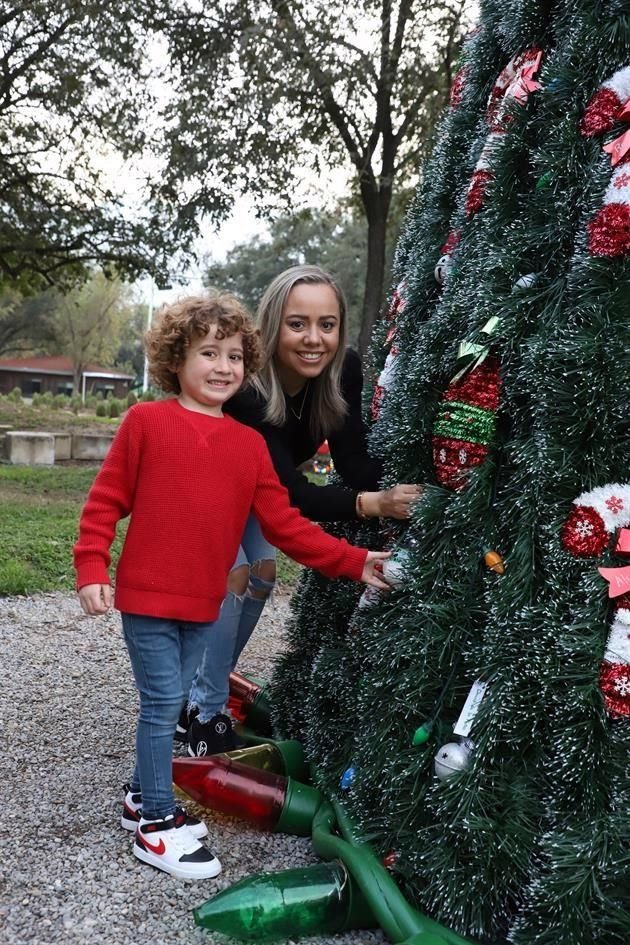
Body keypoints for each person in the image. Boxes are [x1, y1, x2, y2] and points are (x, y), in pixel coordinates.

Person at [73, 291, 390, 881]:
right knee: (165, 703)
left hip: (202, 603)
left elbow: (286, 525)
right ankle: (157, 825)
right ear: (176, 361)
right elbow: (104, 502)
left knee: (171, 701)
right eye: (208, 354)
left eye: (235, 357)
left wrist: (353, 561)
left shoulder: (248, 446)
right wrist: (92, 568)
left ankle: (141, 796)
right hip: (146, 599)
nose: (223, 367)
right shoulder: (147, 423)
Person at [184, 265, 421, 757]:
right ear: (274, 326)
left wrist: (414, 485)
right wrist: (372, 504)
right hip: (201, 489)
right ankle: (202, 714)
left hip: (254, 491)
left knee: (262, 574)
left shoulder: (344, 370)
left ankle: (198, 691)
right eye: (298, 324)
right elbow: (291, 494)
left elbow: (354, 463)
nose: (314, 339)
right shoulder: (247, 388)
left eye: (326, 324)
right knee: (235, 576)